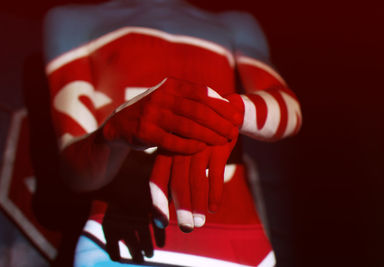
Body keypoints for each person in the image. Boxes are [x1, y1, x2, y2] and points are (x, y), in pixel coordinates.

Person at [43, 0, 302, 266]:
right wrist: (116, 129)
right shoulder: (72, 20)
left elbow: (289, 107)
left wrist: (226, 113)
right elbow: (74, 171)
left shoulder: (234, 23)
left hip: (237, 245)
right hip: (117, 242)